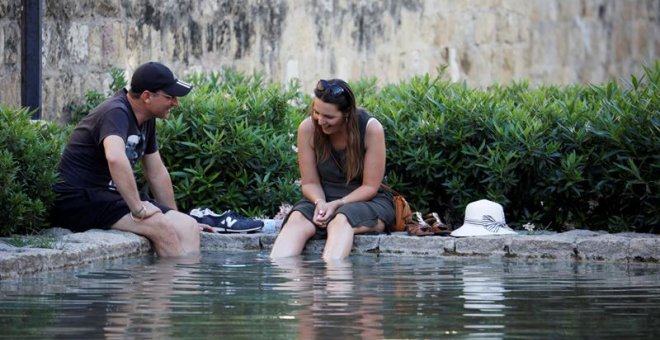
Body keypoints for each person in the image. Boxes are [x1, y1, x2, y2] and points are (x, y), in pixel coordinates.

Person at [51, 61, 201, 257]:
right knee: (160, 226)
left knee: (188, 225)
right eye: (170, 97)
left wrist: (174, 215)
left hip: (109, 197)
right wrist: (138, 209)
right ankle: (170, 285)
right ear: (147, 96)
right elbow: (115, 157)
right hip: (79, 199)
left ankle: (185, 284)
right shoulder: (116, 112)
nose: (175, 102)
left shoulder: (147, 120)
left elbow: (156, 173)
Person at [270, 79, 395, 260]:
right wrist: (320, 202)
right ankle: (286, 279)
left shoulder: (370, 128)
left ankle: (335, 282)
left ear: (347, 114)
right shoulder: (307, 128)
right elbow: (310, 183)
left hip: (367, 200)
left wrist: (338, 204)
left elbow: (370, 187)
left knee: (341, 220)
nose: (321, 121)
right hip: (323, 199)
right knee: (296, 220)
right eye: (316, 112)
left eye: (329, 117)